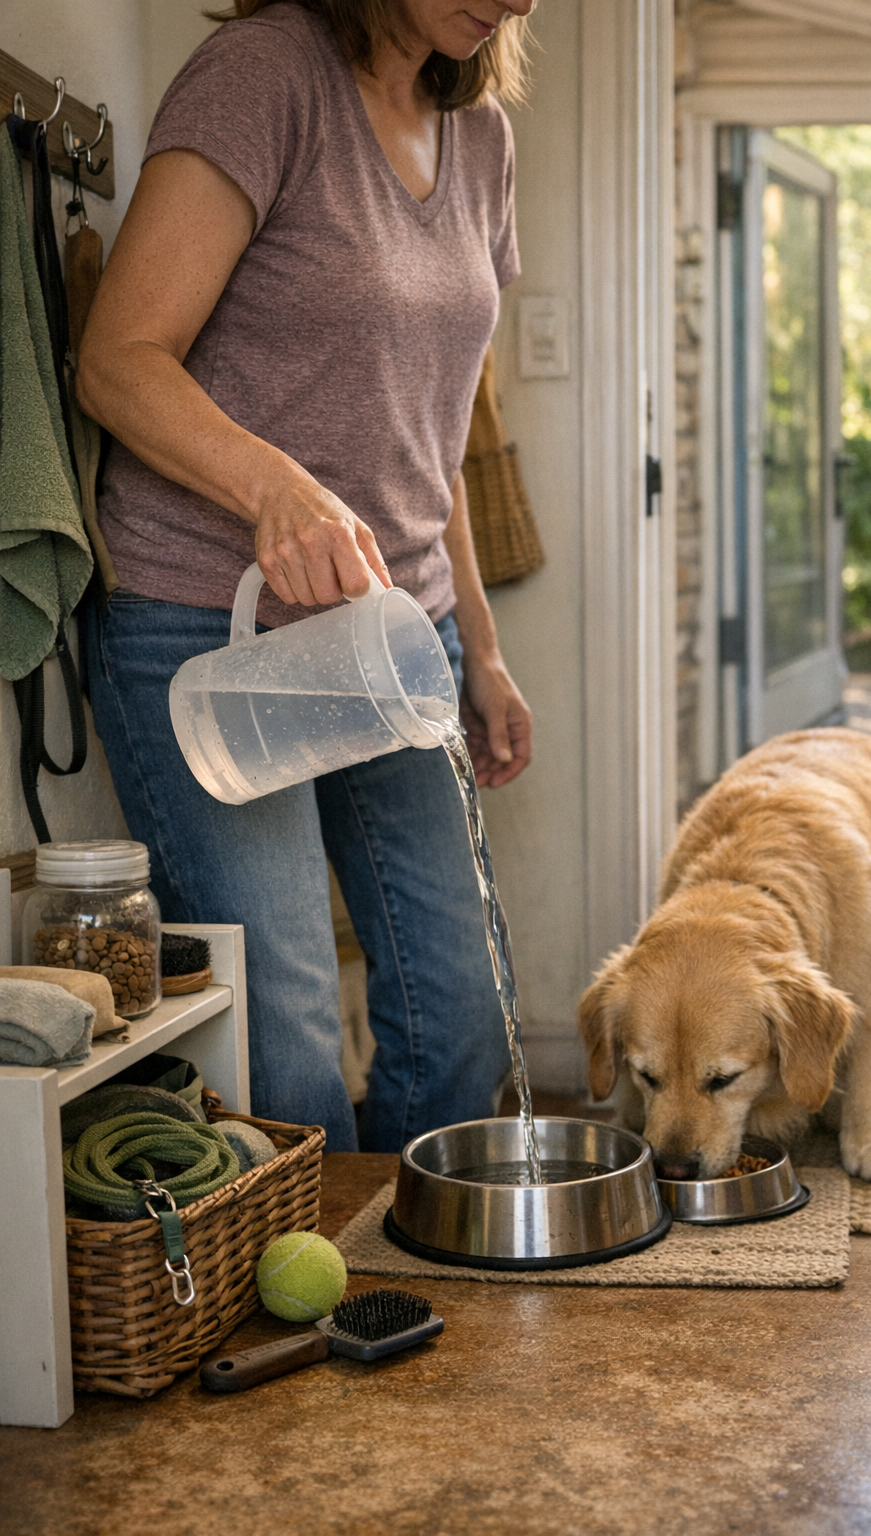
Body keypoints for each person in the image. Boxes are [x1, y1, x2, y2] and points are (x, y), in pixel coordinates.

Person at [77, 0, 535, 1152]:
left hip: (394, 637)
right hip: (209, 632)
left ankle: (393, 1265)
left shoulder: (481, 139)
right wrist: (273, 486)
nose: (524, 0)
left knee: (464, 1014)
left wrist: (477, 648)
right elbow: (116, 360)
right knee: (286, 1040)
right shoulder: (261, 76)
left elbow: (433, 436)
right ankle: (313, 1302)